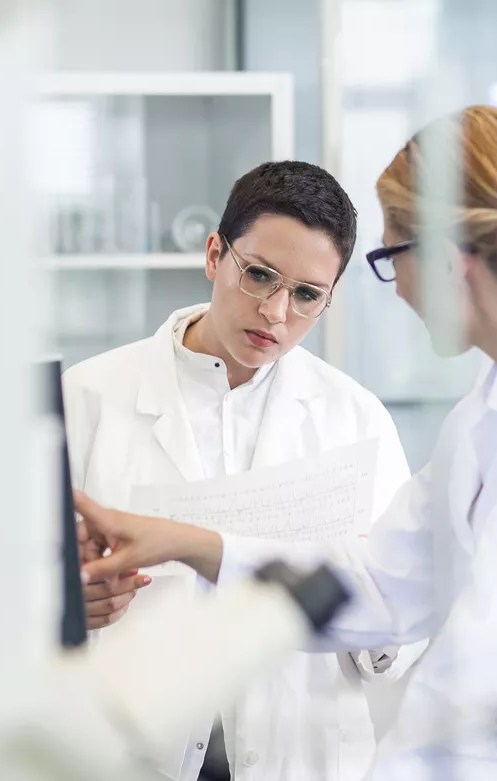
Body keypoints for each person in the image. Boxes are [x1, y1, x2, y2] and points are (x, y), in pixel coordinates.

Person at [76, 106, 497, 780]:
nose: (397, 293)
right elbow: (379, 580)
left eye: (391, 259)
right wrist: (191, 543)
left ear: (450, 263)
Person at [63, 161, 420, 781]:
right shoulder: (87, 399)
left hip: (298, 752)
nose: (277, 313)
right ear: (214, 255)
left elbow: (401, 632)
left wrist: (371, 592)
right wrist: (69, 600)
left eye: (308, 294)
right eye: (259, 275)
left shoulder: (355, 420)